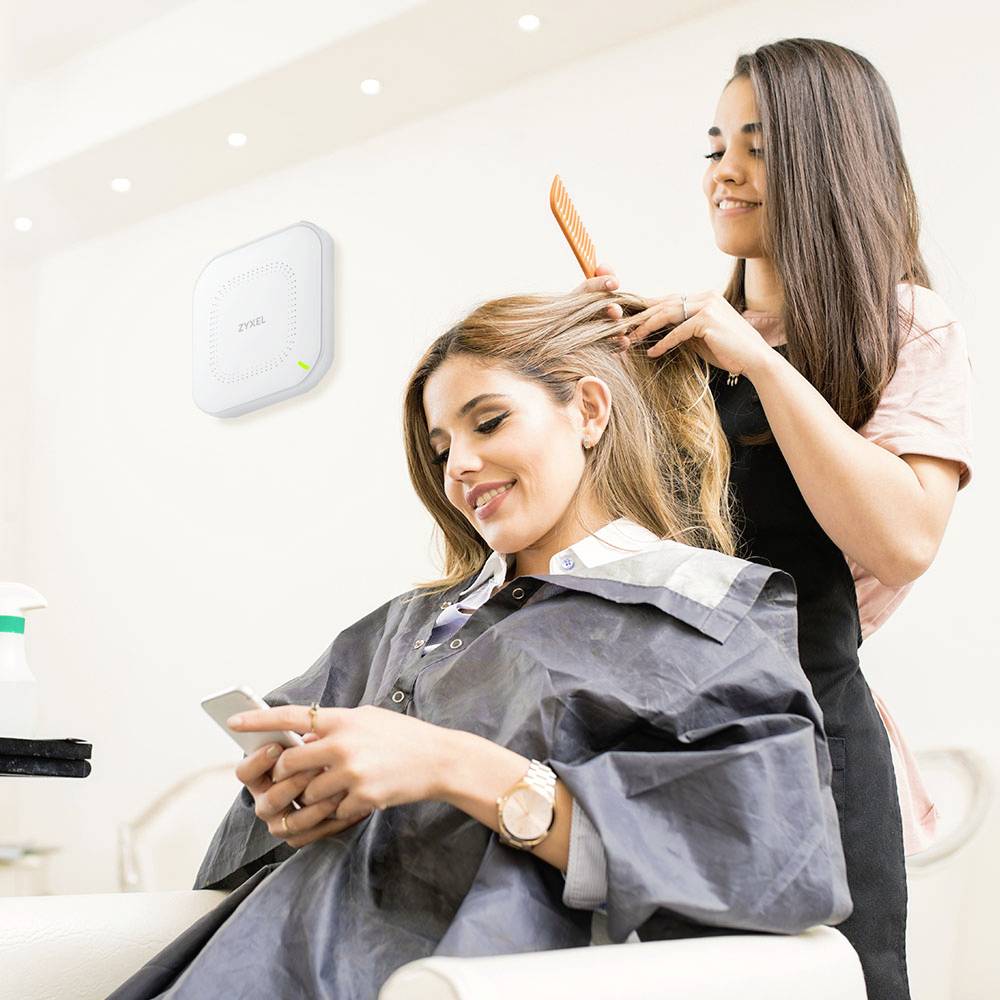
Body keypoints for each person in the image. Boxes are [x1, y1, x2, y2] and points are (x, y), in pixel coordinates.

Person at [110, 291, 851, 1000]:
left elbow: (776, 860)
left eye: (488, 423)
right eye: (441, 448)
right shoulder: (405, 621)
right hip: (268, 958)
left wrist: (453, 765)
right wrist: (288, 798)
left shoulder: (701, 615)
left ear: (588, 410)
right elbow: (260, 825)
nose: (458, 465)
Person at [581, 38, 973, 1000]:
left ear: (830, 157)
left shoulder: (908, 326)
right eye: (714, 145)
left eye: (757, 144)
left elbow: (905, 539)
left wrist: (759, 361)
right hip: (667, 756)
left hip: (816, 747)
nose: (725, 170)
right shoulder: (667, 357)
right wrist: (594, 395)